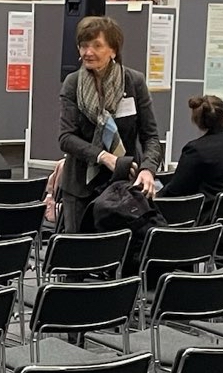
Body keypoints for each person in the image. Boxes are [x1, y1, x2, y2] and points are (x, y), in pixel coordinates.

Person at [57, 15, 162, 233]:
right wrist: (104, 157)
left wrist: (148, 170)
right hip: (80, 187)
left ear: (113, 50)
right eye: (83, 45)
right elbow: (66, 138)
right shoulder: (73, 83)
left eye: (96, 45)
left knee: (117, 253)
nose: (88, 52)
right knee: (79, 255)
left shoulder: (134, 82)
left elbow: (150, 136)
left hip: (124, 184)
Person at [161, 93, 223, 197]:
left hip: (207, 211)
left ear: (197, 122)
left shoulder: (195, 150)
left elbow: (176, 190)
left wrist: (155, 195)